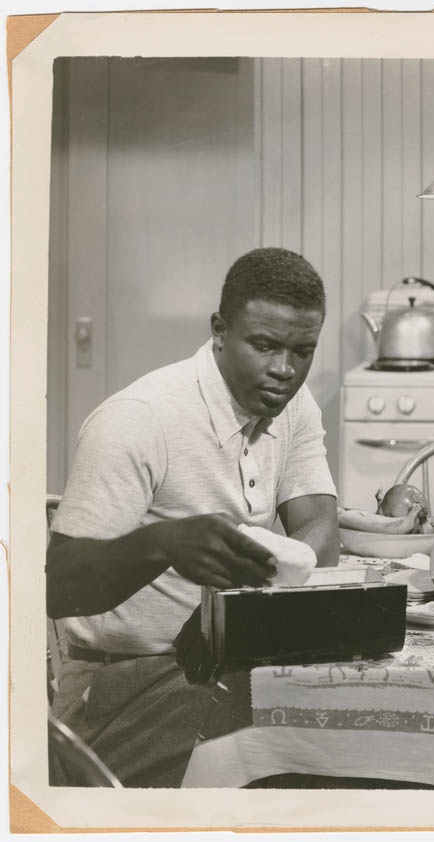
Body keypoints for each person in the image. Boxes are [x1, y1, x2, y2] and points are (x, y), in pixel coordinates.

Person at [46, 247, 340, 787]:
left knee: (349, 735)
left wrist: (230, 617)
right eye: (264, 346)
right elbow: (58, 587)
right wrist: (161, 544)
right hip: (119, 688)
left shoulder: (292, 405)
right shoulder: (139, 420)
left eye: (303, 351)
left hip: (227, 663)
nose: (285, 370)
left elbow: (321, 532)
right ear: (219, 331)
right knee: (314, 761)